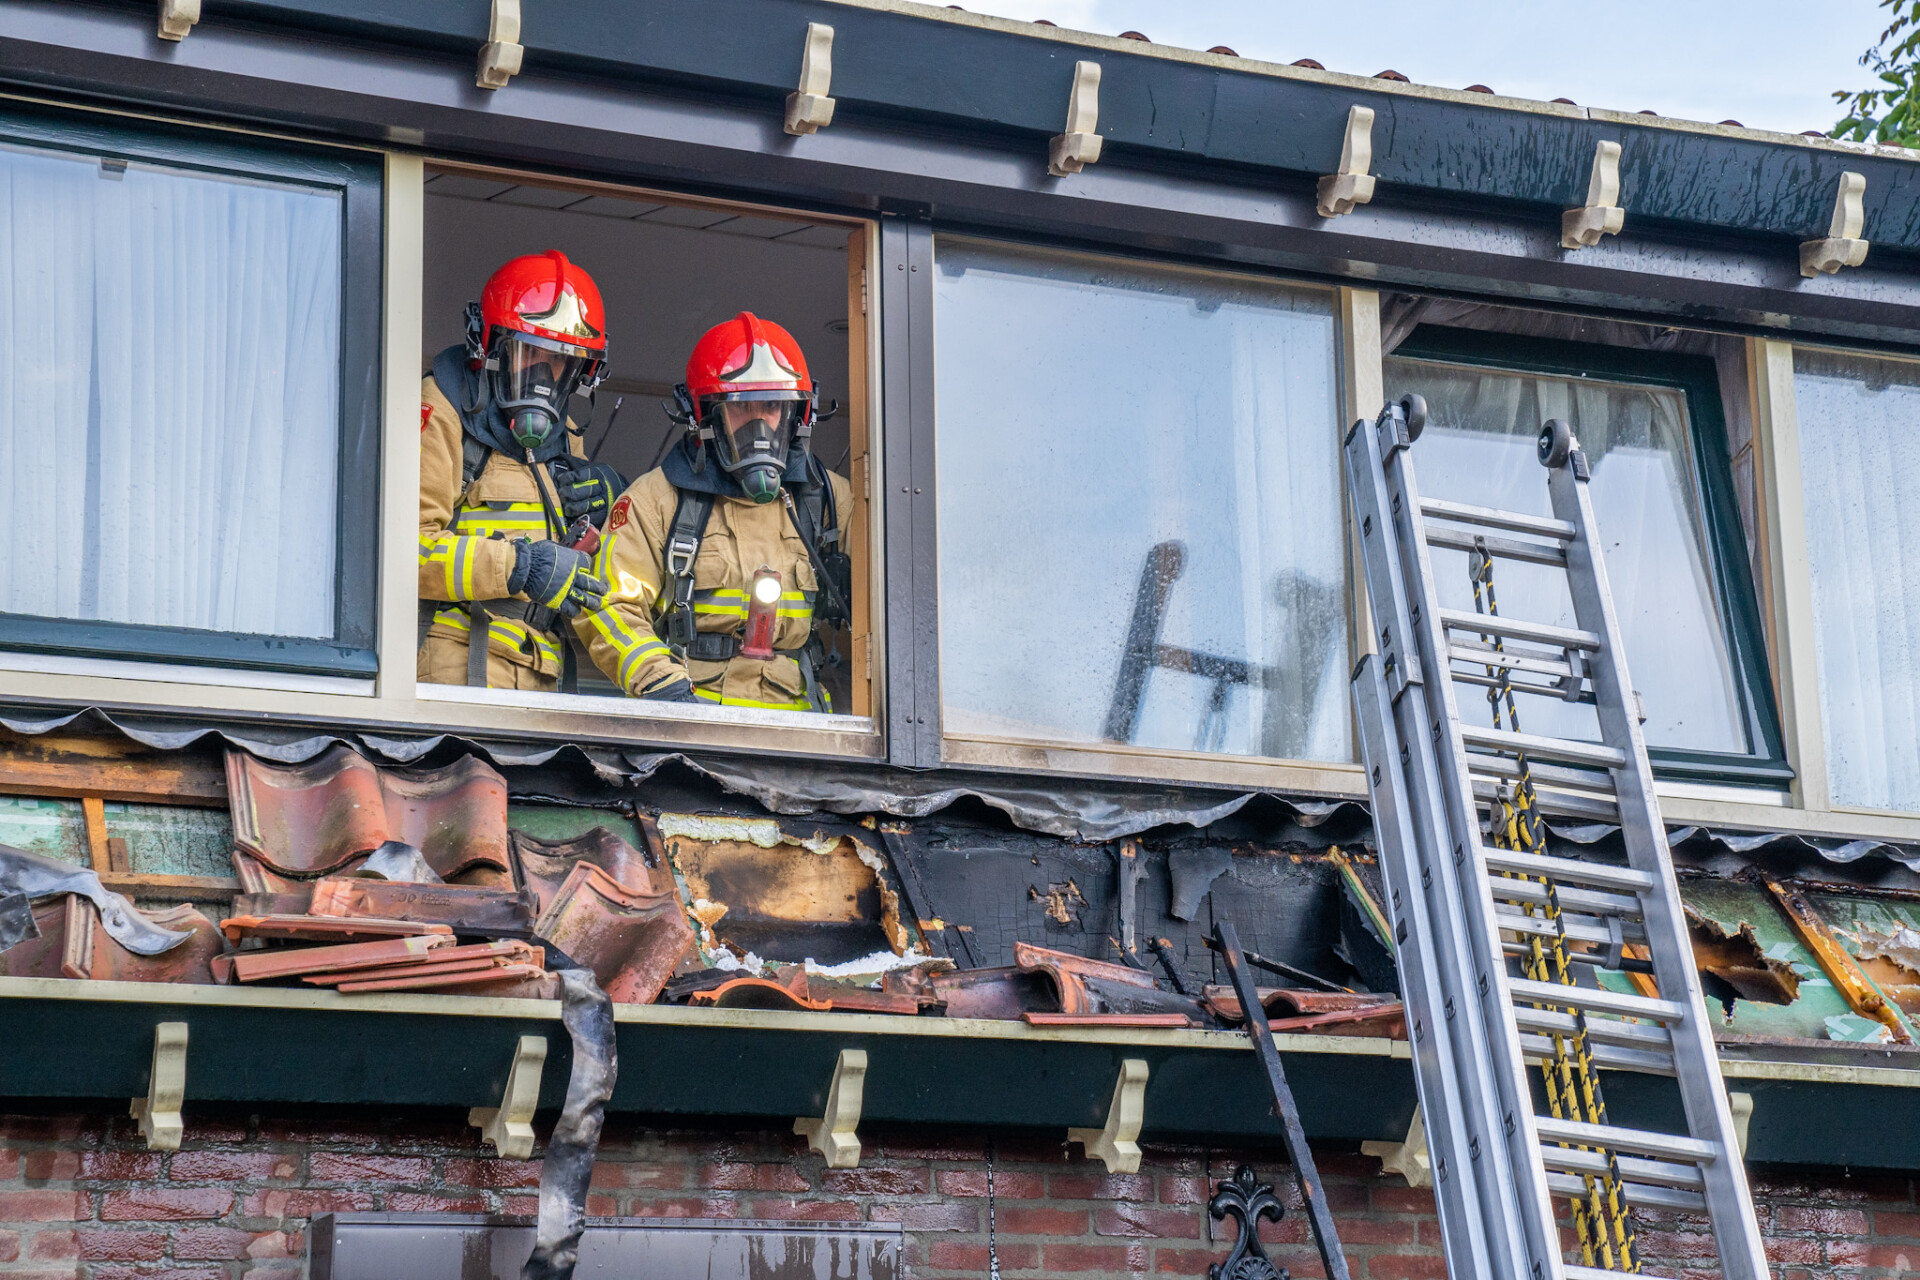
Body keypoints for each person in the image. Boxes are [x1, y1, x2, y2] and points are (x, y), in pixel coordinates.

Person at [576, 311, 853, 711]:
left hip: (800, 728)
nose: (759, 425)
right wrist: (661, 685)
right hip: (695, 724)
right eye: (741, 408)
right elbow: (608, 605)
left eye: (771, 406)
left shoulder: (828, 500)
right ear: (704, 417)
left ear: (797, 416)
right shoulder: (657, 499)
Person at [418, 250, 628, 690]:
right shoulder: (442, 411)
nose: (543, 376)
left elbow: (584, 573)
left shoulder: (566, 434)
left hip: (541, 669)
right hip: (455, 665)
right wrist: (519, 566)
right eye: (529, 352)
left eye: (560, 361)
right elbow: (405, 552)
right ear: (490, 348)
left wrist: (614, 508)